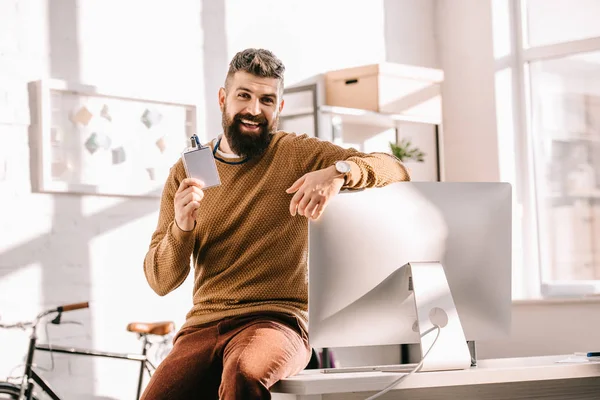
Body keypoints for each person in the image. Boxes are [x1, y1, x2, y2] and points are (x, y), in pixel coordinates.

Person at [140, 48, 410, 400]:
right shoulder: (187, 171)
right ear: (223, 99)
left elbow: (397, 169)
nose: (254, 109)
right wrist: (181, 227)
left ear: (279, 108)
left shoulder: (297, 153)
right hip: (202, 326)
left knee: (244, 375)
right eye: (244, 96)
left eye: (267, 99)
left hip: (278, 321)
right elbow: (159, 281)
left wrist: (340, 172)